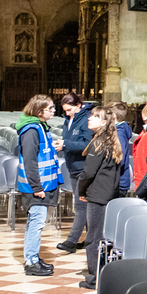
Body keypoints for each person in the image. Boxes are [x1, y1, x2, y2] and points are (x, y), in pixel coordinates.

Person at [77, 106, 122, 290]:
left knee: (94, 238)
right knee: (102, 237)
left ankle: (95, 278)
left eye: (95, 117)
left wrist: (81, 191)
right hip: (108, 194)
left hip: (97, 195)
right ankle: (103, 275)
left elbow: (88, 172)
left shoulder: (99, 142)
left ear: (103, 122)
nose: (89, 118)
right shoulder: (110, 140)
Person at [16, 94, 62, 276]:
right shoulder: (31, 131)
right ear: (39, 111)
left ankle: (33, 257)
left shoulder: (40, 127)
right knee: (36, 222)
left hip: (44, 184)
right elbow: (30, 161)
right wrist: (37, 187)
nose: (53, 111)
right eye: (50, 108)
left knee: (36, 222)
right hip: (36, 187)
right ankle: (31, 262)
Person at [56, 93, 93, 254]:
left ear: (78, 105)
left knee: (81, 206)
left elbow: (87, 144)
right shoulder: (68, 119)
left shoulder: (86, 119)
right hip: (73, 166)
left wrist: (66, 144)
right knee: (82, 205)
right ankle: (90, 239)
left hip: (83, 167)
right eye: (65, 110)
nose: (67, 113)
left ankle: (71, 241)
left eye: (69, 110)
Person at [109, 101, 133, 196]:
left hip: (118, 182)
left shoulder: (119, 133)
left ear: (113, 116)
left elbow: (119, 158)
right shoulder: (117, 131)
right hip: (116, 181)